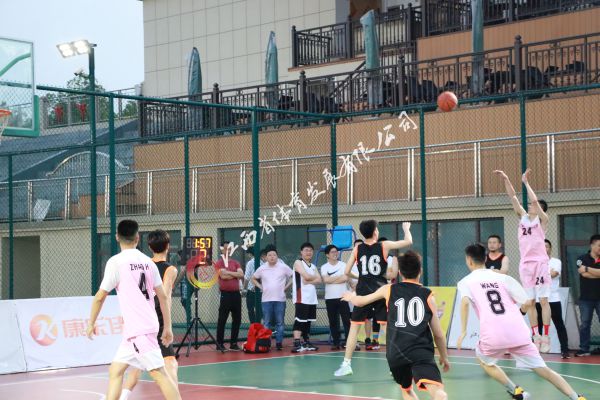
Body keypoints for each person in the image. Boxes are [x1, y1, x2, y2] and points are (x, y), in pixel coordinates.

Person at [457, 243, 586, 400]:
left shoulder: (465, 282)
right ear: (485, 259)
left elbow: (465, 303)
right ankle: (576, 397)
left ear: (469, 260)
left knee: (485, 361)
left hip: (493, 334)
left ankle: (516, 390)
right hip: (518, 331)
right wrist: (518, 314)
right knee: (543, 369)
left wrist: (463, 331)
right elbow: (527, 303)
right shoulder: (504, 278)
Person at [86, 220, 181, 400]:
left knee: (160, 375)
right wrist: (167, 327)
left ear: (117, 237)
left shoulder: (116, 262)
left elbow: (99, 297)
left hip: (140, 331)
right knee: (115, 370)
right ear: (137, 238)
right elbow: (163, 297)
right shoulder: (148, 263)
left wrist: (91, 323)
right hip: (136, 330)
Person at [342, 251, 449, 400]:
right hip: (420, 351)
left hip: (396, 353)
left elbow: (361, 301)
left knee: (406, 389)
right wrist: (444, 356)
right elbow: (438, 334)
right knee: (437, 391)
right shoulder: (428, 295)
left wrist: (351, 297)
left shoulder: (389, 289)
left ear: (399, 273)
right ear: (421, 271)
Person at [334, 220, 412, 377]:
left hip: (363, 291)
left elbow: (347, 271)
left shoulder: (357, 248)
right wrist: (406, 228)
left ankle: (346, 364)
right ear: (375, 231)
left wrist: (360, 276)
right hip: (380, 291)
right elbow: (408, 241)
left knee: (354, 328)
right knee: (388, 328)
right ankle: (395, 367)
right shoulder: (384, 245)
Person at [495, 168, 552, 352]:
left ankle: (546, 336)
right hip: (526, 265)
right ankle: (536, 336)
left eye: (534, 205)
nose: (530, 205)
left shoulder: (542, 220)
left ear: (540, 209)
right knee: (530, 302)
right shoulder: (523, 218)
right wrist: (506, 179)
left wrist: (526, 183)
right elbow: (513, 197)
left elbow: (534, 200)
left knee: (544, 300)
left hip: (540, 263)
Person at [119, 230, 180, 400]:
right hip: (156, 319)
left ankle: (123, 396)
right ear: (168, 246)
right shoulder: (170, 269)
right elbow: (165, 296)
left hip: (139, 318)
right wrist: (167, 325)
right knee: (170, 362)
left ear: (150, 247)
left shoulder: (143, 265)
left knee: (139, 363)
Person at [252, 245, 293, 351]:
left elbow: (293, 276)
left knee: (280, 322)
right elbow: (253, 278)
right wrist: (261, 287)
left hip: (280, 299)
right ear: (266, 257)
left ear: (277, 256)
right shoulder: (262, 268)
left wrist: (286, 287)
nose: (272, 257)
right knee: (267, 323)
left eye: (274, 255)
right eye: (269, 255)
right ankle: (266, 343)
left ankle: (279, 343)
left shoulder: (283, 266)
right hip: (266, 300)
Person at [535, 239, 570, 359]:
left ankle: (565, 350)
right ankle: (536, 351)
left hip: (553, 299)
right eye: (542, 246)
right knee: (538, 326)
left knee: (559, 324)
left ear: (550, 248)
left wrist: (542, 274)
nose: (544, 248)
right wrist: (547, 273)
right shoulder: (535, 263)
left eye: (547, 246)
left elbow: (554, 274)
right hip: (539, 299)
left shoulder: (556, 261)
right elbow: (534, 276)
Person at [291, 242, 322, 353]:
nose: (308, 252)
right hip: (301, 297)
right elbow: (306, 276)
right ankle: (296, 342)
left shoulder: (313, 266)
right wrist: (312, 278)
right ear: (301, 252)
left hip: (312, 298)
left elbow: (319, 280)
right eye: (306, 250)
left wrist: (309, 280)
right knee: (299, 320)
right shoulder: (298, 262)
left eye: (310, 250)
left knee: (308, 321)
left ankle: (306, 341)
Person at [214, 241, 244, 351]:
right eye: (226, 249)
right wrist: (235, 275)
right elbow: (223, 276)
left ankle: (233, 343)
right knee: (222, 319)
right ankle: (219, 344)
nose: (228, 251)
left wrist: (228, 273)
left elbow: (241, 274)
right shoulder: (219, 263)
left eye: (230, 249)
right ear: (222, 250)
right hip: (225, 295)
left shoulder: (236, 262)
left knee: (237, 319)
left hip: (236, 295)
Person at [321, 244, 352, 350]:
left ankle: (349, 342)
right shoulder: (324, 267)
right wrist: (339, 278)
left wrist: (332, 279)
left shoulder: (343, 265)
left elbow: (345, 278)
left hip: (343, 297)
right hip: (330, 298)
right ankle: (336, 342)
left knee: (346, 321)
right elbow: (326, 280)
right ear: (327, 255)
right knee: (333, 321)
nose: (335, 253)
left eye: (336, 251)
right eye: (333, 252)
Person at [574, 234, 600, 357]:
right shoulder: (581, 259)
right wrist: (595, 273)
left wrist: (587, 269)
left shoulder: (586, 264)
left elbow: (586, 272)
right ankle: (584, 349)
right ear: (592, 245)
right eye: (599, 245)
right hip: (585, 299)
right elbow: (583, 274)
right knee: (585, 324)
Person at [243, 247, 264, 323]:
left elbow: (247, 277)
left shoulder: (250, 263)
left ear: (250, 254)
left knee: (250, 309)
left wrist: (244, 289)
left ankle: (253, 325)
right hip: (261, 290)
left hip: (251, 290)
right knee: (260, 310)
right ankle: (259, 324)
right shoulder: (262, 263)